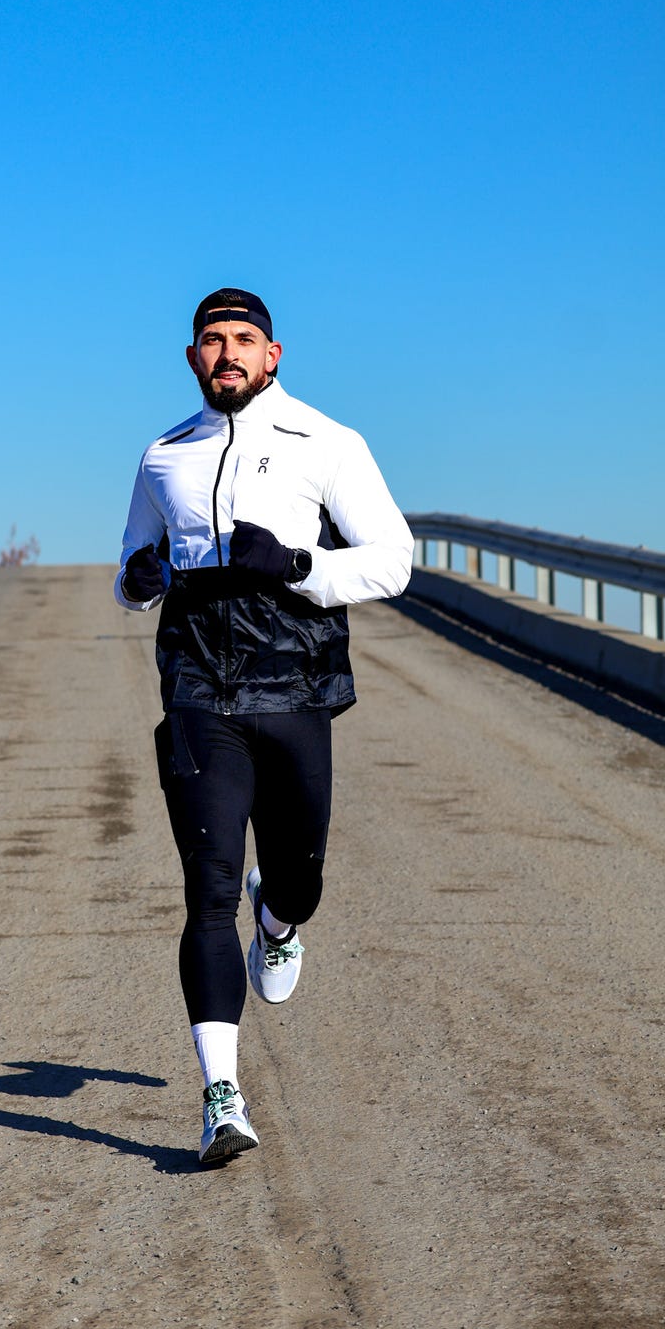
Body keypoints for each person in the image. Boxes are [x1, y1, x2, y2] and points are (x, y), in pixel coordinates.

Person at [115, 287, 413, 1165]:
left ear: (273, 356)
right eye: (213, 341)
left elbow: (394, 560)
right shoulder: (164, 454)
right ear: (192, 358)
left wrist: (295, 563)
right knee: (205, 888)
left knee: (299, 876)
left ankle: (278, 921)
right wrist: (140, 575)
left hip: (296, 689)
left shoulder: (329, 443)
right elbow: (128, 578)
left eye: (245, 340)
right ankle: (221, 1101)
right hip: (199, 691)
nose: (228, 353)